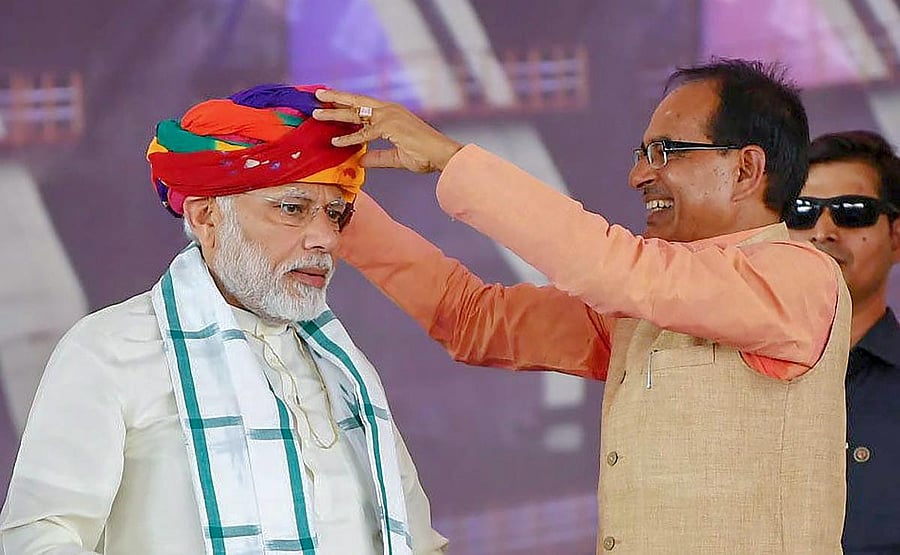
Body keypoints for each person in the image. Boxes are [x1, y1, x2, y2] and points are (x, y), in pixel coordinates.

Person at [311, 59, 851, 553]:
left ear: (745, 169)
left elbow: (616, 269)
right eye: (641, 155)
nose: (638, 176)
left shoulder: (798, 276)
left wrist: (451, 161)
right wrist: (336, 204)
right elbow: (473, 318)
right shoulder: (647, 298)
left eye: (664, 152)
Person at [0, 84, 448, 555]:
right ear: (206, 217)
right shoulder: (108, 349)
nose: (326, 239)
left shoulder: (344, 368)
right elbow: (39, 539)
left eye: (335, 213)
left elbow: (418, 539)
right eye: (293, 209)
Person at [785, 130, 900, 554]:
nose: (823, 230)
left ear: (896, 236)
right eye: (802, 211)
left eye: (852, 212)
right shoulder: (732, 378)